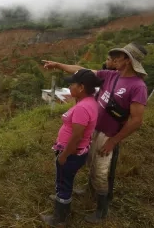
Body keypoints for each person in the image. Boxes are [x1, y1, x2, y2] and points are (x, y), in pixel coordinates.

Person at [42, 42, 148, 223]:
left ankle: (102, 209)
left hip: (109, 134)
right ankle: (90, 189)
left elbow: (137, 120)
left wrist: (113, 141)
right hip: (94, 128)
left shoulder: (138, 86)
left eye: (120, 56)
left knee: (101, 171)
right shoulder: (111, 75)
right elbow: (82, 71)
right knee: (90, 160)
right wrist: (58, 65)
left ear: (128, 61)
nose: (115, 59)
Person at [40, 70, 103, 227]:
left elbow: (77, 135)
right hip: (77, 151)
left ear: (81, 87)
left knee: (64, 183)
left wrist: (64, 155)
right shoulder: (89, 101)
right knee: (64, 179)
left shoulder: (82, 108)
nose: (69, 87)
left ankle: (60, 219)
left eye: (71, 84)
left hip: (71, 153)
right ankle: (61, 200)